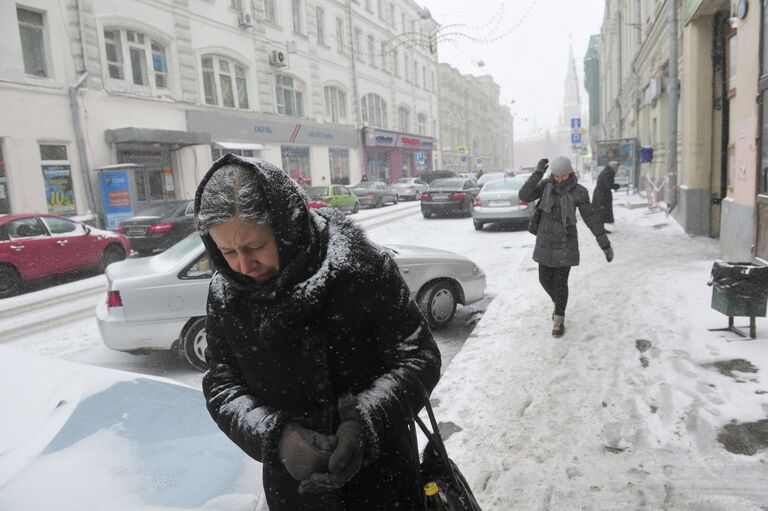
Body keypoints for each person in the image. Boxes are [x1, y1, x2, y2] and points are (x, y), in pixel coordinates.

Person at [194, 154, 441, 510]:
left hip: (385, 482)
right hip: (295, 492)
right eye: (227, 251)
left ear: (286, 226)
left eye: (254, 246)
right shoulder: (226, 293)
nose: (244, 265)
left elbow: (420, 356)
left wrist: (365, 422)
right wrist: (276, 438)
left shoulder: (364, 268)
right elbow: (221, 385)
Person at [519, 156, 614, 337]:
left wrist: (605, 244)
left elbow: (591, 218)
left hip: (565, 243)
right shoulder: (546, 186)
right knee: (544, 280)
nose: (560, 179)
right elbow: (524, 195)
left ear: (570, 173)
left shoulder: (579, 192)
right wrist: (538, 173)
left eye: (563, 176)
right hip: (545, 243)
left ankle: (558, 320)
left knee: (561, 284)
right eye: (557, 175)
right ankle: (559, 303)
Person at [593, 161, 622, 232]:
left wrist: (614, 186)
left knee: (603, 211)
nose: (617, 169)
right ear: (613, 167)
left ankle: (601, 228)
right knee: (601, 211)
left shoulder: (608, 172)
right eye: (617, 167)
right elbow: (607, 184)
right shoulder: (606, 173)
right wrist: (615, 186)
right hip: (601, 195)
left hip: (603, 194)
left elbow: (607, 184)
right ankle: (600, 229)